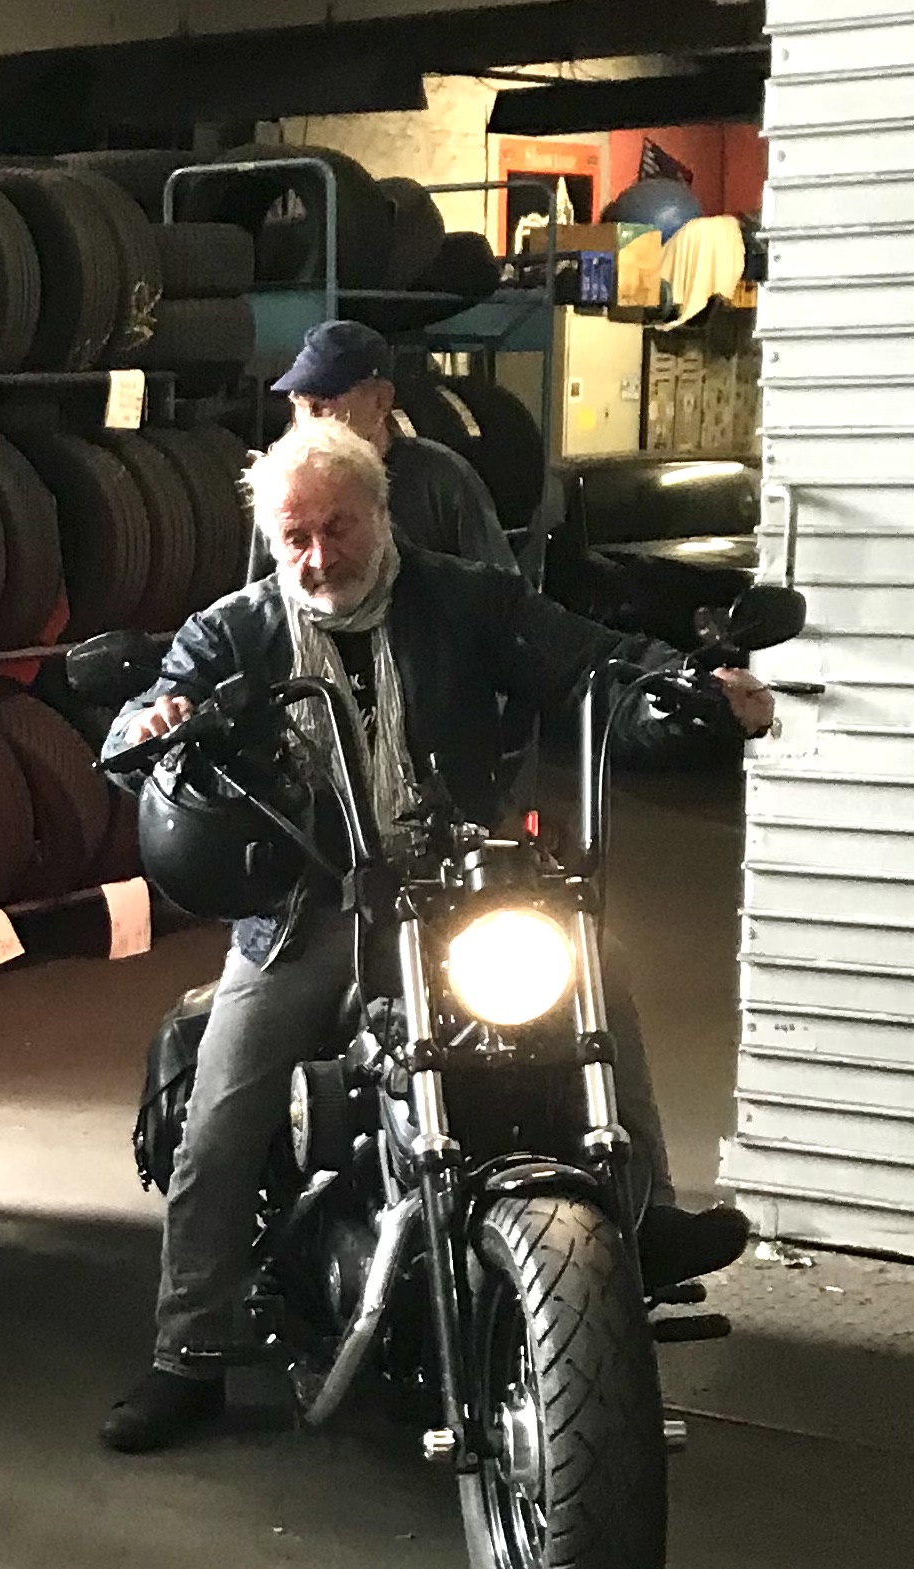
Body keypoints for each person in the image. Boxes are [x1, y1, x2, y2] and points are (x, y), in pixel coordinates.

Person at [98, 417, 769, 1454]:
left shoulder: (465, 598)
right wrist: (151, 728)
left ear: (380, 514)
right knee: (223, 1114)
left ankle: (645, 1213)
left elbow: (592, 663)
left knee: (594, 962)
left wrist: (686, 691)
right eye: (295, 537)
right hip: (309, 906)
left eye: (337, 527)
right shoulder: (235, 631)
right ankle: (185, 1350)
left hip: (460, 887)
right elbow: (147, 711)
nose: (317, 556)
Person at [250, 319, 519, 580]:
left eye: (322, 405)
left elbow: (502, 590)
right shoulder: (282, 488)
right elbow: (259, 600)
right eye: (299, 405)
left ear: (381, 400)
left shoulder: (441, 480)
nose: (309, 421)